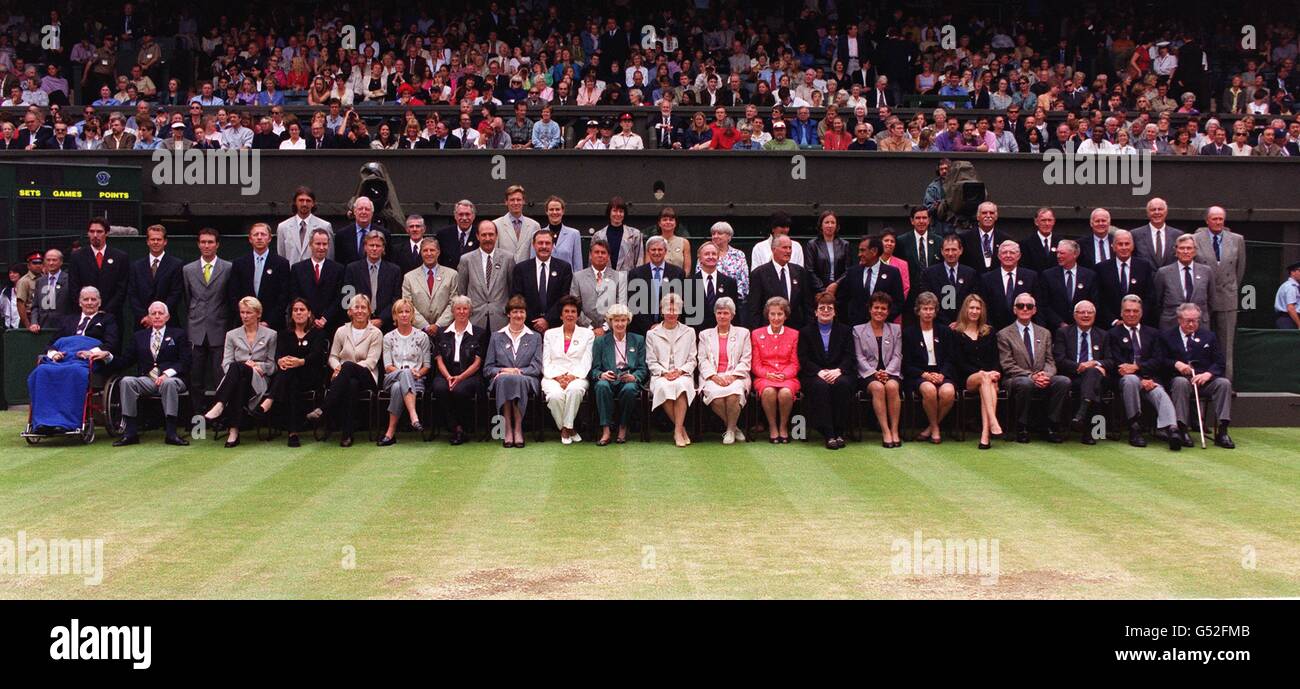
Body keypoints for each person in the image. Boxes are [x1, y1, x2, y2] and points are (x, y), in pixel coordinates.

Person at [1151, 303, 1235, 449]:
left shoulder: (1209, 336)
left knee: (1224, 383)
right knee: (1180, 382)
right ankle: (1182, 428)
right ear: (1179, 320)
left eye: (1195, 320)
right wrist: (1176, 364)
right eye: (1187, 320)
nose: (1191, 324)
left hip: (1204, 381)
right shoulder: (1167, 336)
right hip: (1180, 380)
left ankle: (1222, 430)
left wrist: (1208, 374)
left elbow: (1219, 362)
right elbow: (1160, 360)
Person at [1106, 295, 1182, 450]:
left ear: (1141, 313)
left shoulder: (1153, 333)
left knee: (1159, 392)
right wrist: (1138, 377)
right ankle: (1135, 426)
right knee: (1131, 380)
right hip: (1124, 381)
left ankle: (1172, 430)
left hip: (1150, 379)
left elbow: (1158, 359)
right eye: (1127, 311)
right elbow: (1116, 362)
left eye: (1135, 311)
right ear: (1121, 313)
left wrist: (1139, 369)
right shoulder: (1113, 334)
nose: (1131, 314)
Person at [112, 301, 191, 447]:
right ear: (149, 317)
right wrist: (108, 357)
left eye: (160, 313)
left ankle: (171, 433)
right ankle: (130, 433)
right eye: (153, 314)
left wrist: (167, 374)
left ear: (167, 317)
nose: (157, 316)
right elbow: (126, 360)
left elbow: (185, 362)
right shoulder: (139, 336)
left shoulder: (178, 334)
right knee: (126, 381)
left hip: (173, 379)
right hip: (148, 380)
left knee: (168, 383)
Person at [309, 294, 383, 448]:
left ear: (369, 311)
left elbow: (372, 361)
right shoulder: (341, 331)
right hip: (344, 378)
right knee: (351, 385)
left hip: (367, 376)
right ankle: (347, 434)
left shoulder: (375, 333)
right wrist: (338, 367)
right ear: (349, 311)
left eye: (363, 307)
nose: (360, 311)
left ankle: (324, 408)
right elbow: (333, 356)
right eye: (356, 307)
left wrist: (344, 369)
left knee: (349, 367)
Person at [202, 297, 277, 448]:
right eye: (242, 312)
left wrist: (255, 365)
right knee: (237, 371)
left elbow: (272, 365)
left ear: (258, 314)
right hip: (236, 380)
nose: (244, 316)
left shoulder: (271, 334)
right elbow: (226, 363)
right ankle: (233, 432)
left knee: (239, 368)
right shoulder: (232, 335)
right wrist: (243, 366)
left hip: (258, 380)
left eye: (248, 312)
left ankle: (220, 403)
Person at [998, 293, 1070, 443]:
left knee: (1063, 381)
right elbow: (1007, 365)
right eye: (1020, 306)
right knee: (1026, 383)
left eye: (1029, 306)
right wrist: (1031, 376)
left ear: (1034, 310)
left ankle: (1051, 425)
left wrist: (1046, 375)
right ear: (1014, 309)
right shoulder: (1004, 334)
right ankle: (1021, 427)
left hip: (1042, 376)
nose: (1025, 309)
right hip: (1015, 378)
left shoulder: (1045, 333)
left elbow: (1050, 360)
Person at [256, 298, 328, 447]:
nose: (298, 313)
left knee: (289, 375)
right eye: (295, 310)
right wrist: (280, 361)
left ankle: (270, 399)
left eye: (302, 310)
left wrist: (300, 362)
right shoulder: (284, 334)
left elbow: (317, 356)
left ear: (309, 313)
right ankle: (293, 433)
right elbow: (278, 355)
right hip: (290, 378)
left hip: (311, 375)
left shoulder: (318, 333)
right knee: (291, 380)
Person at [1192, 206, 1246, 379]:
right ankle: (1199, 381)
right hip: (1203, 298)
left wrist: (1229, 287)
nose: (1218, 222)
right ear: (1207, 220)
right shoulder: (1195, 239)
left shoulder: (1237, 239)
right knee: (1201, 342)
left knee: (1226, 345)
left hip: (1227, 297)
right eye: (1214, 219)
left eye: (1220, 219)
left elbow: (1240, 270)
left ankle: (1226, 383)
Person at [484, 295, 543, 449]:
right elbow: (488, 369)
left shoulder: (535, 337)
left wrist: (518, 371)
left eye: (522, 312)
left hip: (527, 379)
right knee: (506, 379)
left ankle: (516, 427)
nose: (518, 315)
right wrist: (504, 370)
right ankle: (510, 429)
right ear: (508, 314)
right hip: (501, 379)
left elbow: (536, 368)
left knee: (514, 379)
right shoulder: (496, 337)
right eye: (515, 312)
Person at [799, 293, 855, 449]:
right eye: (821, 308)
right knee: (820, 386)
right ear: (816, 311)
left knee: (842, 385)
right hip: (814, 374)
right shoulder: (805, 332)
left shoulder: (845, 331)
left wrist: (838, 370)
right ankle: (829, 434)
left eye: (829, 308)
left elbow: (850, 356)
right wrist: (820, 372)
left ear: (835, 311)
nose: (825, 311)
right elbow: (803, 359)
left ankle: (839, 432)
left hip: (839, 372)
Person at [183, 228, 232, 398]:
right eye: (203, 242)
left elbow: (229, 298)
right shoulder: (188, 270)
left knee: (219, 375)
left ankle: (219, 416)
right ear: (198, 244)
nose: (206, 245)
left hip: (219, 327)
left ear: (217, 245)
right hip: (196, 329)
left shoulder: (228, 268)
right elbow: (188, 298)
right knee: (195, 376)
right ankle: (197, 416)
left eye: (210, 242)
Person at [904, 292, 958, 444]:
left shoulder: (945, 331)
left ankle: (930, 427)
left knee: (948, 392)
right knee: (929, 390)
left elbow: (951, 358)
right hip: (919, 374)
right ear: (918, 310)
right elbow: (907, 364)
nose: (928, 312)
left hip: (942, 372)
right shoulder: (909, 333)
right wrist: (925, 374)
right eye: (925, 309)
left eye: (931, 309)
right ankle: (935, 428)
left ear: (935, 311)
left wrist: (942, 374)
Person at [951, 294, 1004, 449]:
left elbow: (995, 358)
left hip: (988, 378)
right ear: (965, 310)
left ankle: (985, 436)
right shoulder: (956, 332)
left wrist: (995, 372)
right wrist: (982, 372)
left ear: (982, 311)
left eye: (978, 308)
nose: (974, 311)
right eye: (971, 307)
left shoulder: (989, 331)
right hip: (967, 377)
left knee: (989, 384)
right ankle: (993, 421)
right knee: (985, 378)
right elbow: (958, 362)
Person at [432, 296, 486, 445]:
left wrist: (460, 377)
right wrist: (449, 376)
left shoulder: (479, 333)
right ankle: (455, 427)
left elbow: (477, 363)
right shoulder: (442, 332)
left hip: (469, 374)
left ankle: (464, 427)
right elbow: (439, 359)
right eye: (458, 308)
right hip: (446, 372)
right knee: (440, 388)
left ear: (470, 311)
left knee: (459, 390)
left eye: (465, 309)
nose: (462, 312)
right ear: (453, 311)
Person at [590, 303, 647, 446]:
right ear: (610, 322)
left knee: (630, 389)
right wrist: (601, 375)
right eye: (616, 320)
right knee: (601, 386)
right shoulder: (600, 341)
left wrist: (635, 377)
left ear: (628, 321)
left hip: (628, 379)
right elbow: (594, 369)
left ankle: (623, 427)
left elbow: (642, 368)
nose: (620, 324)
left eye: (623, 320)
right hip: (609, 379)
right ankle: (606, 429)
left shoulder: (638, 340)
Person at [1053, 300, 1109, 445]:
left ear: (1095, 315)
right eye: (1081, 312)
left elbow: (1111, 360)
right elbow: (1059, 359)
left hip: (1095, 376)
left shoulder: (1103, 334)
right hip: (1071, 374)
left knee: (1092, 374)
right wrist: (1080, 366)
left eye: (1089, 312)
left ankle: (1080, 416)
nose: (1085, 315)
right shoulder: (1063, 333)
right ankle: (1087, 430)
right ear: (1074, 315)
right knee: (1091, 380)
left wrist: (1096, 363)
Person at [377, 299, 432, 446]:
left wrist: (419, 373)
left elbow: (427, 365)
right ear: (394, 316)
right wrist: (405, 373)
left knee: (398, 388)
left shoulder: (422, 337)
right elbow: (388, 366)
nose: (404, 315)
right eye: (400, 312)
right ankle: (414, 416)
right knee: (403, 375)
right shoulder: (388, 337)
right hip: (391, 378)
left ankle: (390, 433)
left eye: (407, 312)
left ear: (413, 315)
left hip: (416, 381)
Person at [697, 297, 751, 444]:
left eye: (726, 313)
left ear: (732, 315)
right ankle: (733, 428)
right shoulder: (704, 334)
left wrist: (733, 376)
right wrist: (714, 376)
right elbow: (702, 359)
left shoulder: (743, 333)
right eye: (719, 312)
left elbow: (746, 359)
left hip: (736, 375)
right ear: (715, 314)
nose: (722, 316)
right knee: (717, 397)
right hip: (712, 376)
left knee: (734, 394)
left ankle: (730, 430)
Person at [646, 293, 697, 447]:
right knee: (664, 387)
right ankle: (681, 430)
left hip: (682, 374)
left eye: (675, 310)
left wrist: (680, 371)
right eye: (668, 309)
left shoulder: (689, 332)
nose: (671, 313)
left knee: (680, 386)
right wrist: (664, 372)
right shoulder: (652, 334)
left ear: (680, 312)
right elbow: (651, 361)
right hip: (661, 375)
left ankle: (677, 431)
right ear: (662, 311)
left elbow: (692, 359)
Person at [541, 295, 594, 444]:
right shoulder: (549, 334)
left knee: (574, 391)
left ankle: (565, 428)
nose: (570, 314)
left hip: (578, 376)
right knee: (555, 396)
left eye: (573, 311)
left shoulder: (587, 334)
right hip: (552, 376)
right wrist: (558, 377)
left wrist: (572, 377)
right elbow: (546, 360)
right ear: (561, 314)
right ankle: (569, 429)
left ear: (578, 315)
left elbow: (586, 360)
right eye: (566, 311)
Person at [853, 292, 903, 447]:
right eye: (876, 307)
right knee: (878, 387)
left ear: (888, 311)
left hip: (891, 372)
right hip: (868, 374)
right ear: (870, 309)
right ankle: (885, 430)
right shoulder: (858, 330)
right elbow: (859, 357)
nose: (879, 311)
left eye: (883, 308)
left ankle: (895, 430)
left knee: (892, 386)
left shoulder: (896, 329)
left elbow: (897, 355)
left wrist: (887, 372)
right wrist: (874, 373)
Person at [67, 218, 129, 332]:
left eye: (99, 232)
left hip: (112, 317)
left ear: (107, 233)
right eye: (92, 231)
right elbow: (74, 287)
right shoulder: (77, 257)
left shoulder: (120, 257)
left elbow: (122, 289)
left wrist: (105, 310)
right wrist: (88, 308)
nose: (95, 235)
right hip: (84, 317)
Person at [227, 222, 291, 332]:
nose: (259, 238)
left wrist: (269, 322)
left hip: (273, 325)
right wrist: (245, 317)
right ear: (250, 239)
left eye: (263, 234)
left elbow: (284, 296)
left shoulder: (281, 264)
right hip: (245, 324)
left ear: (270, 238)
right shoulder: (239, 264)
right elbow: (233, 294)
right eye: (256, 235)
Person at [512, 229, 574, 333]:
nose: (544, 246)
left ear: (553, 245)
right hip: (527, 326)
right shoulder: (521, 269)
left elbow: (564, 297)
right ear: (533, 245)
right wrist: (534, 321)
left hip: (556, 326)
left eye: (548, 243)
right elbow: (517, 297)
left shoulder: (564, 268)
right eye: (540, 243)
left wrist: (547, 320)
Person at [749, 235, 815, 330]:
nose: (788, 251)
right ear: (774, 249)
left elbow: (807, 305)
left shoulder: (800, 272)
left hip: (796, 331)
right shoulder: (759, 274)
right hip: (769, 331)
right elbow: (754, 309)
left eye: (790, 248)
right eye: (784, 247)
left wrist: (808, 330)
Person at [1094, 229, 1157, 328]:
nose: (1124, 247)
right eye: (1120, 244)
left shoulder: (1144, 266)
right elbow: (1099, 299)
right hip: (1111, 327)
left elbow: (1150, 296)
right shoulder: (1101, 268)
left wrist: (1136, 318)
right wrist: (1114, 321)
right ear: (1113, 247)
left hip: (1139, 324)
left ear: (1132, 246)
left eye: (1127, 244)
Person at [126, 225, 184, 331]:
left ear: (165, 241)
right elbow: (132, 294)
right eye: (152, 239)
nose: (155, 242)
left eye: (159, 239)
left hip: (168, 324)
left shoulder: (176, 265)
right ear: (147, 241)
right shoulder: (136, 266)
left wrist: (160, 316)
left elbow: (175, 294)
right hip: (143, 324)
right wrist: (146, 317)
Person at [289, 229, 347, 333]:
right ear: (310, 245)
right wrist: (311, 317)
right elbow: (295, 296)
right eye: (318, 244)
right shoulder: (297, 269)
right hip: (305, 325)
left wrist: (325, 318)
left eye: (324, 244)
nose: (321, 247)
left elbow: (340, 297)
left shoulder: (338, 269)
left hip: (331, 325)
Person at [838, 236, 905, 326]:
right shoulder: (852, 272)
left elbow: (898, 302)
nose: (859, 254)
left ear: (874, 251)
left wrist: (881, 318)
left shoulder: (892, 273)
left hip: (883, 327)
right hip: (856, 328)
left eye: (862, 250)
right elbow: (843, 301)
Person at [627, 236, 687, 335]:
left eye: (660, 249)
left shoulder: (677, 273)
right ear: (648, 251)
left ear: (665, 251)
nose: (657, 252)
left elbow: (678, 302)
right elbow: (634, 304)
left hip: (669, 328)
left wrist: (664, 325)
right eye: (653, 249)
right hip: (641, 330)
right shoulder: (636, 273)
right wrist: (649, 326)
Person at [1152, 235, 1214, 329]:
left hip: (1200, 324)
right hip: (1171, 324)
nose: (1185, 251)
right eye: (1182, 248)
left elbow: (1211, 300)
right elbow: (1157, 302)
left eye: (1189, 248)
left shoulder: (1206, 271)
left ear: (1195, 251)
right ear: (1176, 251)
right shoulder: (1163, 273)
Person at [400, 237, 458, 337]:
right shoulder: (409, 277)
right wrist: (425, 326)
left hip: (445, 330)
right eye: (425, 250)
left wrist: (438, 325)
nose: (429, 253)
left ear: (438, 252)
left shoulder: (452, 275)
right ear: (421, 253)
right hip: (417, 331)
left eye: (432, 250)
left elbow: (453, 303)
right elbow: (408, 305)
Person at [1037, 239, 1098, 332]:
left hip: (1083, 328)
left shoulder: (1089, 276)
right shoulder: (1048, 275)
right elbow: (1044, 304)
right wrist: (1060, 323)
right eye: (1057, 253)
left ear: (1075, 254)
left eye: (1062, 253)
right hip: (1056, 329)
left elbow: (1094, 302)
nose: (1058, 256)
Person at [571, 239, 626, 338]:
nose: (600, 255)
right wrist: (589, 328)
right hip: (584, 332)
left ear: (608, 256)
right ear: (590, 255)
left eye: (603, 253)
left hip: (611, 332)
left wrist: (605, 327)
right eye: (596, 252)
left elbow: (621, 305)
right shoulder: (578, 277)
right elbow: (575, 306)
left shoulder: (619, 277)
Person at [978, 240, 1038, 331]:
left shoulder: (1031, 277)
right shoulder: (987, 279)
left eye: (1012, 253)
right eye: (1004, 253)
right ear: (999, 256)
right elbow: (984, 307)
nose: (1008, 255)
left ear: (1019, 256)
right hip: (994, 330)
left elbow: (1038, 306)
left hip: (1023, 330)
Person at [276, 186, 333, 265]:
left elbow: (329, 257)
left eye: (308, 201)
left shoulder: (324, 226)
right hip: (291, 274)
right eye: (301, 200)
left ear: (313, 203)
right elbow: (281, 256)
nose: (304, 204)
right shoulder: (283, 227)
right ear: (295, 202)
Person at [592, 196, 644, 271]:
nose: (618, 214)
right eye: (615, 211)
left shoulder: (635, 235)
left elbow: (639, 262)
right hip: (604, 280)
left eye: (621, 211)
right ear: (609, 212)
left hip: (627, 280)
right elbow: (592, 263)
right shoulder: (598, 236)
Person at [804, 210, 850, 295]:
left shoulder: (844, 245)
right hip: (818, 291)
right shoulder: (813, 244)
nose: (830, 225)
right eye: (827, 222)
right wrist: (823, 290)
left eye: (833, 223)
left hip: (839, 290)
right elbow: (810, 270)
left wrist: (836, 284)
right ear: (821, 225)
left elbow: (848, 270)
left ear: (837, 226)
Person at [1130, 197, 1183, 269]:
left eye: (1160, 209)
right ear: (1148, 213)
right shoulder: (1135, 235)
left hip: (1170, 279)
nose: (1157, 212)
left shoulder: (1178, 235)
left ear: (1166, 212)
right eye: (1153, 210)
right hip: (1146, 279)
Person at [493, 185, 541, 264]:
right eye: (512, 200)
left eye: (518, 200)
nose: (516, 203)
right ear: (506, 202)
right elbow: (494, 254)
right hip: (505, 273)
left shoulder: (534, 226)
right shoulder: (496, 225)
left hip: (526, 273)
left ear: (523, 201)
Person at [537, 196, 585, 271]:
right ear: (546, 212)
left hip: (567, 280)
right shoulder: (538, 234)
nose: (554, 212)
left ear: (563, 211)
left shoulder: (574, 234)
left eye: (557, 209)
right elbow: (533, 262)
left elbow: (577, 265)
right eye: (551, 209)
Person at [710, 221, 750, 302]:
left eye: (719, 233)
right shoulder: (705, 254)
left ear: (729, 236)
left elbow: (744, 279)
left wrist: (737, 296)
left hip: (736, 300)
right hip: (711, 300)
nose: (715, 236)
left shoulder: (739, 254)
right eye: (713, 234)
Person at [651, 207, 692, 273]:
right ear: (659, 223)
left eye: (671, 220)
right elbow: (648, 267)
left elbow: (687, 269)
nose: (668, 222)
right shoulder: (652, 241)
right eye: (665, 220)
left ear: (675, 223)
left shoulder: (684, 242)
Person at [1274, 261, 1300, 329]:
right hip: (1288, 319)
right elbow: (1290, 308)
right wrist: (1299, 324)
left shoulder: (1294, 286)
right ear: (1292, 272)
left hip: (1291, 318)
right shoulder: (1290, 287)